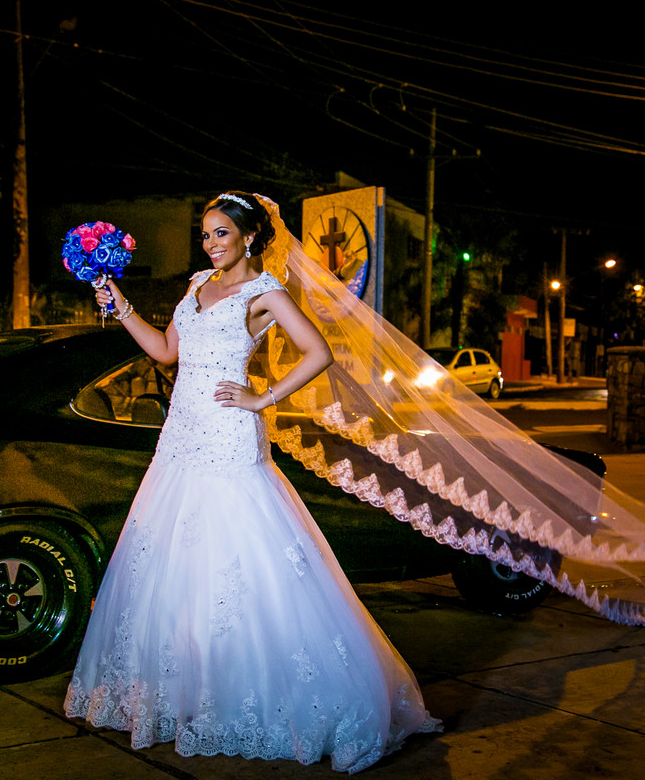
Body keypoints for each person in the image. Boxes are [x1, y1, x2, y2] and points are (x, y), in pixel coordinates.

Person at [65, 192, 441, 774]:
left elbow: (318, 352)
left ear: (248, 237)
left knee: (240, 563)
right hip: (181, 440)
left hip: (229, 437)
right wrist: (122, 306)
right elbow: (167, 353)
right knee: (174, 567)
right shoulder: (195, 286)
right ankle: (186, 691)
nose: (211, 243)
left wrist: (262, 398)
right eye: (206, 234)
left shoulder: (264, 293)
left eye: (221, 233)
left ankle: (263, 694)